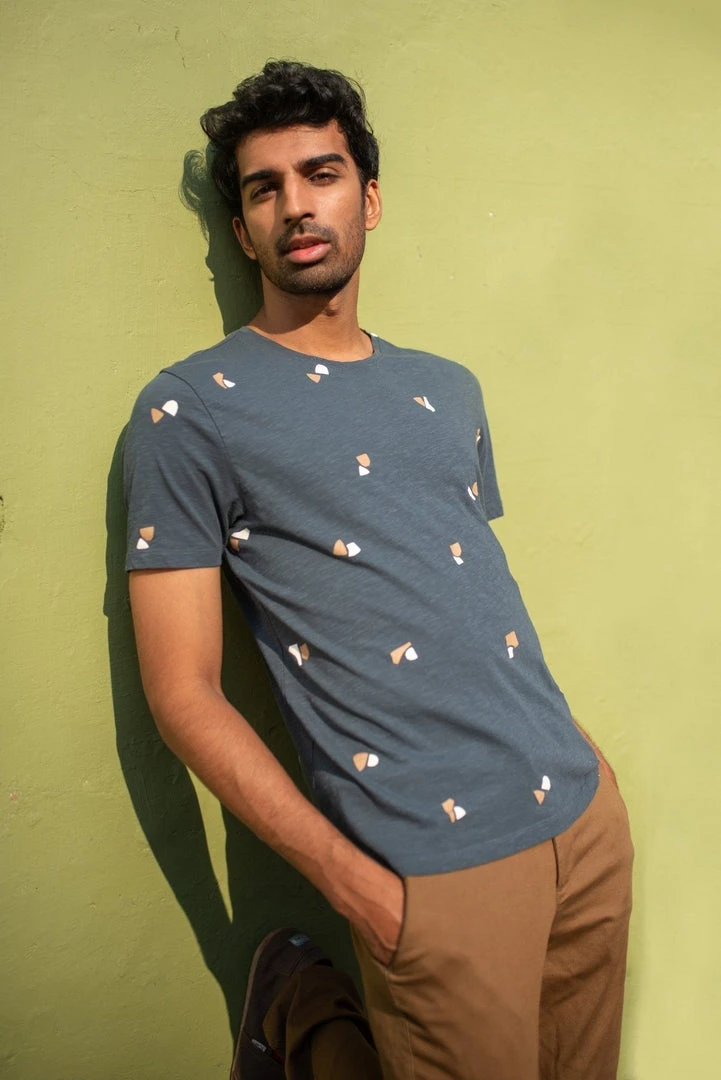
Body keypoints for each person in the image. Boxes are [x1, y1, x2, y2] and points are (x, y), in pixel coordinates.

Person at [123, 60, 634, 1080]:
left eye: (320, 174)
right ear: (242, 231)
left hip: (582, 824)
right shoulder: (190, 411)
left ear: (370, 198)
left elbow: (462, 590)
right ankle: (312, 1012)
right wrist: (355, 885)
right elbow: (182, 694)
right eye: (263, 189)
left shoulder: (446, 388)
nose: (295, 206)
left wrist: (588, 767)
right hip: (434, 866)